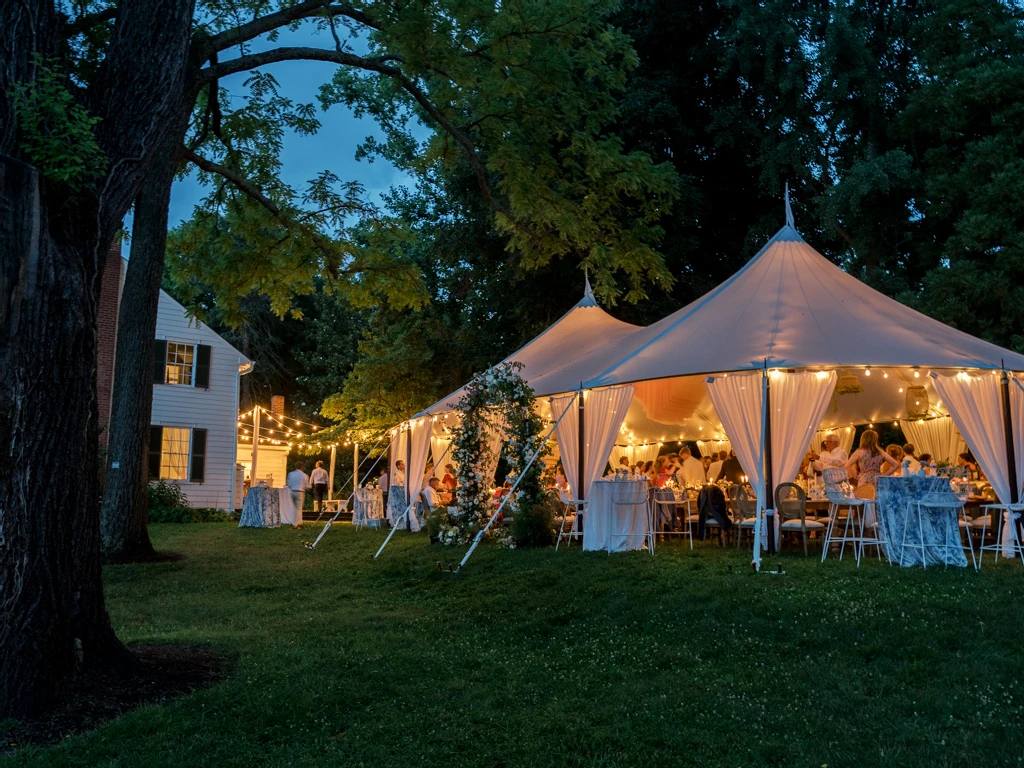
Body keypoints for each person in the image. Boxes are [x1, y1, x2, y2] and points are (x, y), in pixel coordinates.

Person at [285, 464, 310, 529]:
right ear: (302, 467)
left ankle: (298, 521)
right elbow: (307, 486)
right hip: (300, 492)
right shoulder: (304, 475)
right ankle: (295, 524)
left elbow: (288, 483)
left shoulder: (291, 474)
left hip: (292, 491)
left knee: (294, 507)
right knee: (298, 508)